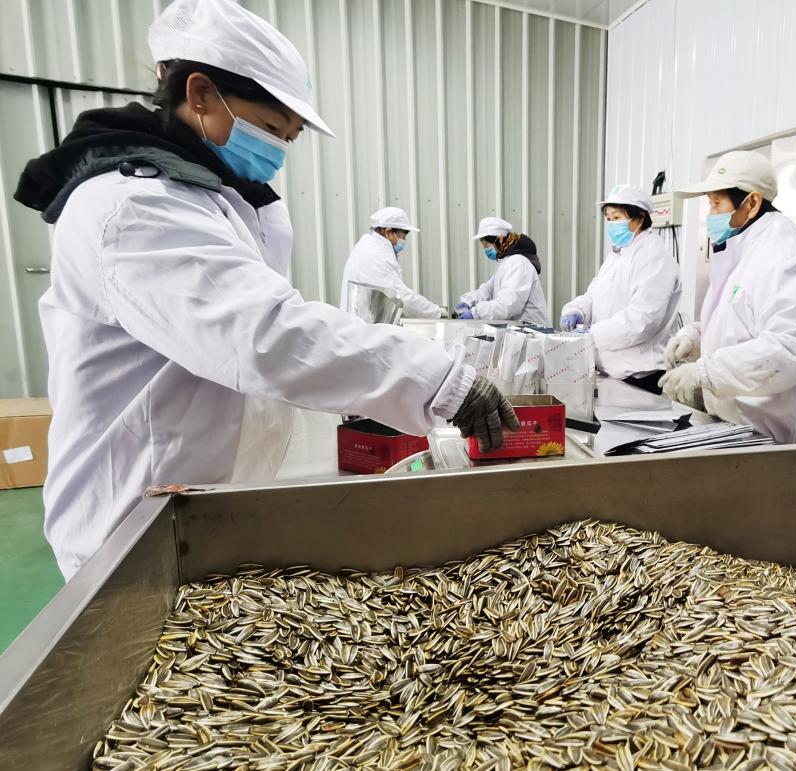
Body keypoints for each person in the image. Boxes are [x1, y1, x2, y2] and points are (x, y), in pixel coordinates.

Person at [13, 0, 516, 580]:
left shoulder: (213, 198)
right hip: (132, 513)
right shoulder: (132, 207)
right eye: (272, 129)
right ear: (200, 94)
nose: (277, 150)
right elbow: (262, 334)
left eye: (288, 137)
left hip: (194, 502)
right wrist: (439, 381)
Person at [659, 150, 796, 443]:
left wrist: (706, 372)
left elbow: (789, 348)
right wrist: (695, 338)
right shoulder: (745, 247)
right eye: (709, 204)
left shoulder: (782, 253)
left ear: (751, 202)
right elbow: (738, 322)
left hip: (769, 439)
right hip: (735, 428)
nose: (711, 215)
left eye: (717, 203)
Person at [559, 185, 682, 394]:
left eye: (616, 218)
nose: (611, 224)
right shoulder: (618, 254)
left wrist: (591, 334)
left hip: (640, 375)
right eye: (608, 219)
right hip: (613, 371)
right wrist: (576, 310)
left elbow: (643, 320)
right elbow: (593, 295)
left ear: (639, 219)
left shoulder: (653, 256)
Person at [341, 207, 443, 319]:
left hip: (361, 320)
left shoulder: (368, 246)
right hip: (364, 325)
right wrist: (437, 312)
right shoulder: (377, 255)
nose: (404, 240)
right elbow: (400, 297)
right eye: (404, 235)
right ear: (388, 232)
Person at [455, 217, 551, 326]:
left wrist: (476, 312)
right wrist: (468, 301)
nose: (485, 250)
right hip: (520, 328)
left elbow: (508, 304)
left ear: (500, 239)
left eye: (486, 245)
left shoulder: (518, 263)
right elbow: (488, 289)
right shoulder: (505, 262)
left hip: (533, 329)